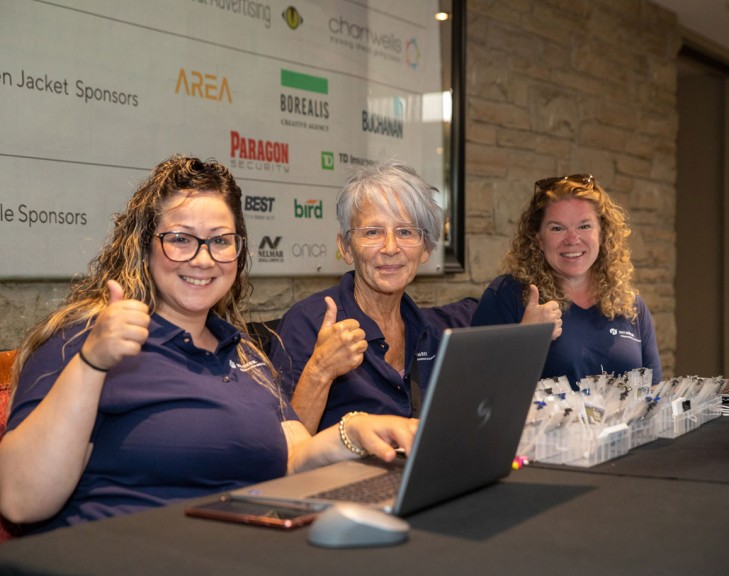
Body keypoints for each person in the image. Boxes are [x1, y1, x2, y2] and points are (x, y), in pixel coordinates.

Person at [0, 155, 417, 535]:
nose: (204, 259)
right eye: (181, 239)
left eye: (220, 240)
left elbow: (290, 457)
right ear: (145, 246)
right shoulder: (86, 338)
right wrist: (92, 363)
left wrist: (356, 430)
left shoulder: (244, 353)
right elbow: (20, 501)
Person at [270, 160, 445, 434]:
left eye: (405, 232)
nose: (390, 248)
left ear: (425, 250)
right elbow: (281, 451)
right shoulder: (307, 324)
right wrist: (320, 370)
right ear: (346, 248)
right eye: (372, 232)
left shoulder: (430, 334)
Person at [472, 173, 662, 389]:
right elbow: (477, 391)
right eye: (557, 228)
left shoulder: (631, 305)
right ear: (539, 240)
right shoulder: (507, 295)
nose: (572, 239)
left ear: (602, 234)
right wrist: (526, 341)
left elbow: (653, 394)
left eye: (584, 226)